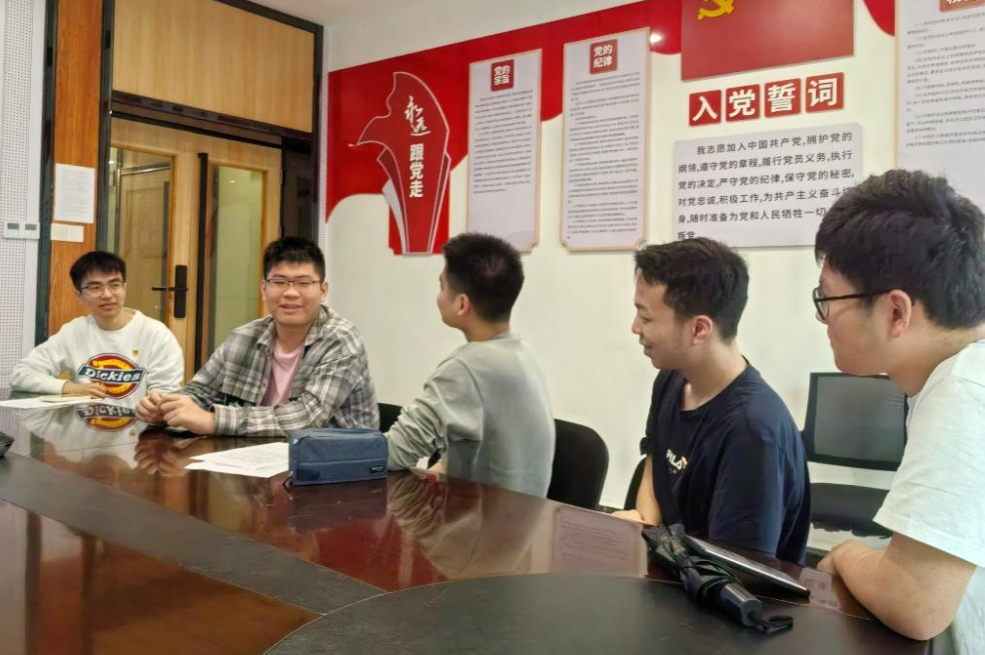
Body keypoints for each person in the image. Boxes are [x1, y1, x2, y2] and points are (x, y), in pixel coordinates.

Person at [813, 170, 985, 651]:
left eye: (828, 298)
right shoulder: (955, 377)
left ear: (896, 312)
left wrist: (846, 554)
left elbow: (917, 604)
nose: (821, 317)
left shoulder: (963, 394)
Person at [614, 238, 811, 564]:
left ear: (698, 329)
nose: (635, 328)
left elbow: (739, 570)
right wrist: (645, 523)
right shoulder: (671, 379)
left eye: (646, 318)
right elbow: (655, 460)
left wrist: (654, 541)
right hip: (675, 567)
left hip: (722, 586)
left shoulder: (752, 431)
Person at [136, 236, 378, 436]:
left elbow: (307, 417)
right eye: (279, 282)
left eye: (303, 283)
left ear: (323, 290)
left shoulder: (340, 340)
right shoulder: (245, 337)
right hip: (258, 461)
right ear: (264, 288)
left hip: (338, 468)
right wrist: (166, 407)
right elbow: (201, 392)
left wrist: (213, 421)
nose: (291, 293)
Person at [385, 233, 555, 497]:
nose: (438, 296)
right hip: (522, 517)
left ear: (462, 304)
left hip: (482, 520)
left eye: (442, 287)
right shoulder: (522, 356)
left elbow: (393, 453)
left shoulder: (466, 368)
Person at [11, 251, 183, 404]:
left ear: (125, 288)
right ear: (79, 296)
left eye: (114, 285)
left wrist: (156, 405)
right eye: (95, 287)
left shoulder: (156, 334)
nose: (107, 295)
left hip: (141, 426)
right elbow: (21, 375)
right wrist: (70, 387)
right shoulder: (74, 331)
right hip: (84, 426)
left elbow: (166, 394)